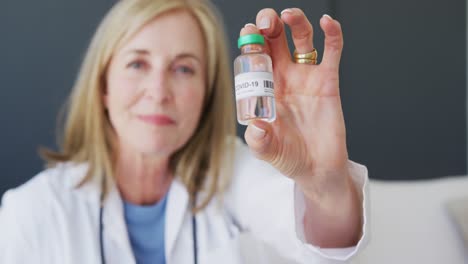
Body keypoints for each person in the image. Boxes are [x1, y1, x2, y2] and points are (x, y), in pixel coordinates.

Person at [0, 0, 369, 263]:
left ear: (208, 93)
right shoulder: (30, 212)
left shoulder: (235, 173)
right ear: (103, 86)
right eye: (137, 63)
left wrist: (323, 182)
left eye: (184, 69)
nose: (159, 92)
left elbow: (328, 245)